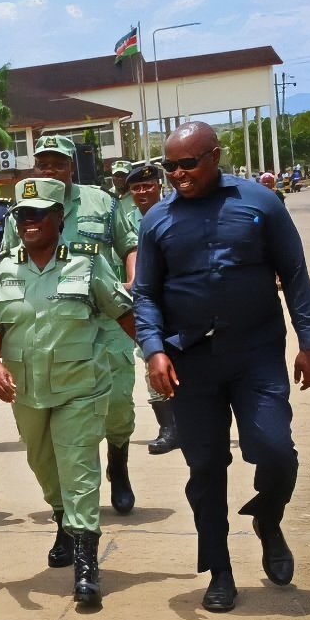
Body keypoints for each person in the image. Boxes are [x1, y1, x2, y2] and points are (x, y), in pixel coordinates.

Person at [132, 121, 310, 613]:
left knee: (275, 450)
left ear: (214, 156)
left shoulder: (261, 202)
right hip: (190, 361)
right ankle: (220, 570)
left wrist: (308, 341)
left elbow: (295, 274)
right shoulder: (157, 220)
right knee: (206, 467)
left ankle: (268, 519)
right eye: (170, 166)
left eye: (188, 164)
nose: (178, 174)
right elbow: (145, 293)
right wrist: (154, 349)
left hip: (256, 352)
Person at [0, 178, 136, 606]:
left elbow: (123, 313)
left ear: (59, 218)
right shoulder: (3, 268)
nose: (29, 222)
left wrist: (158, 356)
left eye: (38, 214)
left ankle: (86, 561)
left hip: (80, 386)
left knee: (78, 467)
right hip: (25, 390)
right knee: (43, 465)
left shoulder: (87, 262)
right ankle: (63, 518)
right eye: (22, 215)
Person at [3, 135, 140, 516]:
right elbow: (10, 259)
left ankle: (118, 462)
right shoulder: (21, 208)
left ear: (71, 167)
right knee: (60, 413)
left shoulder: (101, 201)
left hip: (106, 316)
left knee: (117, 403)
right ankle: (71, 499)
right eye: (43, 164)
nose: (50, 170)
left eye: (58, 164)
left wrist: (132, 280)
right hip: (54, 322)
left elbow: (128, 244)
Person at [126, 164, 178, 454]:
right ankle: (169, 428)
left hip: (177, 299)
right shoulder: (126, 221)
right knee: (150, 360)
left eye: (148, 186)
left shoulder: (175, 212)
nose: (142, 192)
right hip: (145, 303)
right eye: (136, 188)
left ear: (159, 186)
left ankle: (192, 423)